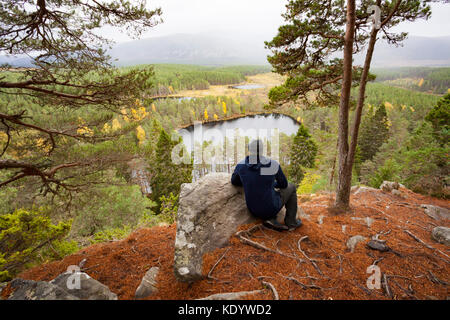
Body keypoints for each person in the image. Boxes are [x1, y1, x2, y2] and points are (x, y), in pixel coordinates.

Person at [231, 139, 302, 231]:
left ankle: (271, 220)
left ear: (249, 149)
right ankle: (291, 222)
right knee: (291, 186)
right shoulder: (272, 164)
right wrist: (273, 185)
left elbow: (234, 181)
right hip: (270, 208)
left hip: (253, 209)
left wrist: (249, 182)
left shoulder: (241, 165)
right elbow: (284, 184)